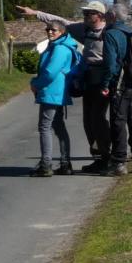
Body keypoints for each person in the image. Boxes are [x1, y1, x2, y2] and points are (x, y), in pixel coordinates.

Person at [16, 1, 112, 172]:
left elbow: (51, 72)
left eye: (89, 13)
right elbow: (61, 22)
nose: (85, 17)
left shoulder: (109, 33)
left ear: (100, 15)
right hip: (89, 80)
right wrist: (35, 13)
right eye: (85, 14)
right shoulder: (83, 29)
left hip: (102, 79)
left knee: (98, 120)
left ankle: (107, 158)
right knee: (88, 122)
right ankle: (95, 159)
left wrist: (35, 84)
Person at [28, 20, 80, 177]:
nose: (50, 32)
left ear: (62, 32)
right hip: (57, 92)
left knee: (45, 127)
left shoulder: (60, 49)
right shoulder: (62, 46)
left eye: (54, 30)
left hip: (52, 92)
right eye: (48, 29)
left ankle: (46, 165)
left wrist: (36, 84)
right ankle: (65, 164)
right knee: (58, 127)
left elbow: (50, 72)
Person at [102, 3, 132, 176]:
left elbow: (110, 64)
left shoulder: (111, 35)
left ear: (113, 16)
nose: (105, 17)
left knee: (118, 121)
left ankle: (119, 163)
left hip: (119, 83)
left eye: (107, 14)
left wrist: (106, 84)